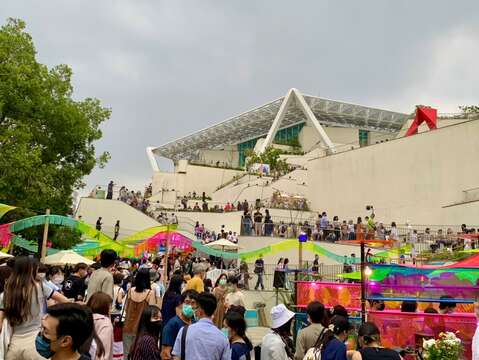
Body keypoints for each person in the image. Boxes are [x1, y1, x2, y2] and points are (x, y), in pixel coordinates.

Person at [0, 256, 69, 360]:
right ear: (32, 270)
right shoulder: (40, 287)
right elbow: (65, 301)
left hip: (13, 345)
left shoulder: (7, 292)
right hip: (36, 343)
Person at [172, 292, 231, 360]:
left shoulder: (184, 331)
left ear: (200, 311)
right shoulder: (223, 337)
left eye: (196, 308)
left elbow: (176, 357)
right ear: (214, 312)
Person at [123, 268, 157, 358]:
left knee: (127, 354)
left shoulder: (130, 290)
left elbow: (126, 308)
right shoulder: (150, 293)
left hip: (128, 326)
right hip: (141, 330)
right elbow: (152, 313)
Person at [87, 292, 113, 360]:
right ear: (105, 307)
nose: (111, 309)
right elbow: (103, 350)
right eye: (110, 306)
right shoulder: (105, 323)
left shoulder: (84, 317)